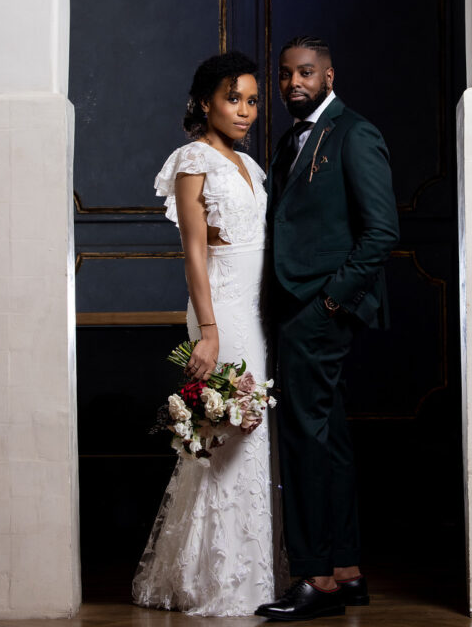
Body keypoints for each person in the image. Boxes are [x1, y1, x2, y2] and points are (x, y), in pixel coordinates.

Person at [255, 36, 399, 622]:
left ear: (330, 75)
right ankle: (346, 569)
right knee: (329, 437)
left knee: (304, 441)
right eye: (287, 74)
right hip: (300, 306)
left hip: (320, 311)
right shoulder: (292, 139)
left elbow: (381, 233)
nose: (294, 83)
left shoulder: (354, 133)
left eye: (306, 73)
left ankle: (314, 578)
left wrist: (330, 305)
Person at [132, 51, 277, 617]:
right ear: (204, 102)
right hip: (223, 315)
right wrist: (209, 332)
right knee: (228, 435)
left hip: (256, 315)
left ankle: (250, 573)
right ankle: (217, 581)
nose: (245, 111)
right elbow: (194, 254)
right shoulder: (194, 160)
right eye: (233, 99)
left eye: (252, 100)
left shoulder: (249, 165)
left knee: (249, 436)